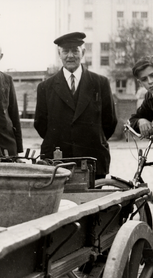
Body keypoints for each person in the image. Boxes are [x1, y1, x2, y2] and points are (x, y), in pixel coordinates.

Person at [34, 32, 117, 179]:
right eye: (66, 51)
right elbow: (41, 124)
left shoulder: (100, 83)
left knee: (94, 201)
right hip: (57, 162)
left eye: (75, 50)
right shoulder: (45, 87)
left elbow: (109, 121)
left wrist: (91, 139)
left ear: (83, 52)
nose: (70, 56)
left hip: (93, 159)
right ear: (59, 54)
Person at [129, 56, 153, 138]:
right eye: (144, 79)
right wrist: (140, 121)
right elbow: (132, 121)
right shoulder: (150, 97)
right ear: (140, 83)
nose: (150, 82)